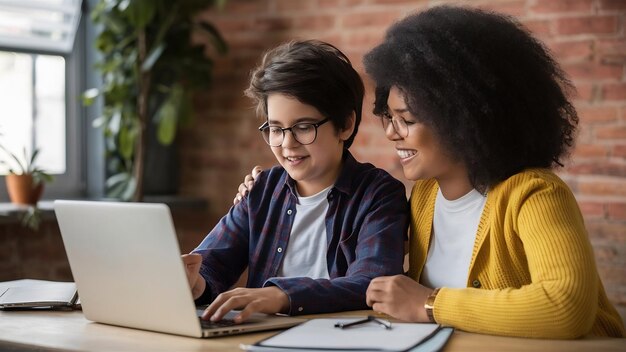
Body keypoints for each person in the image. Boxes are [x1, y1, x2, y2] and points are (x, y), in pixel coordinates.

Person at [234, 6, 625, 339]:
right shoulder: (422, 199)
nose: (390, 132)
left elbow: (565, 307)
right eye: (388, 117)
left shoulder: (534, 195)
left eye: (406, 119)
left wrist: (429, 303)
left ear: (463, 118)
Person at [183, 40, 407, 324]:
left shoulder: (378, 194)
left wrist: (283, 295)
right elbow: (212, 264)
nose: (287, 144)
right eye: (276, 129)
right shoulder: (261, 189)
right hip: (260, 337)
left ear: (346, 125)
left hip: (342, 339)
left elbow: (374, 283)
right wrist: (194, 282)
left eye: (303, 127)